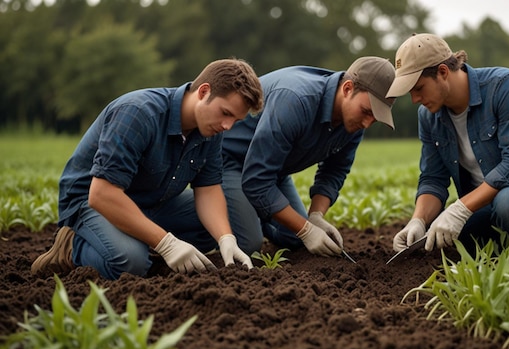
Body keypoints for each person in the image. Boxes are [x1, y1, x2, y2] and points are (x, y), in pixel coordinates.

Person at [31, 59, 264, 280]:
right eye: (226, 113)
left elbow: (209, 189)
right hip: (94, 202)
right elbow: (101, 194)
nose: (227, 126)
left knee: (226, 224)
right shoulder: (139, 113)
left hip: (154, 202)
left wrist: (225, 238)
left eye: (235, 120)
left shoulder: (210, 130)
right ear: (203, 92)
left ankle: (138, 240)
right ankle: (74, 246)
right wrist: (166, 243)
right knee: (130, 263)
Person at [386, 33, 509, 261]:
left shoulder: (505, 86)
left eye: (419, 88)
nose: (415, 99)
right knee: (446, 231)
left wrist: (461, 208)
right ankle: (499, 257)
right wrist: (418, 220)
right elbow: (433, 178)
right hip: (485, 203)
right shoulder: (428, 117)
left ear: (443, 72)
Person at [221, 56, 396, 257]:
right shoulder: (296, 100)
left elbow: (334, 171)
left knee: (294, 238)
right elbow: (256, 180)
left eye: (375, 118)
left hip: (274, 171)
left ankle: (252, 212)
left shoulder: (354, 124)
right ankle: (229, 216)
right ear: (347, 89)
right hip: (231, 161)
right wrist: (306, 230)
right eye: (366, 111)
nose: (367, 123)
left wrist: (315, 217)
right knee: (249, 242)